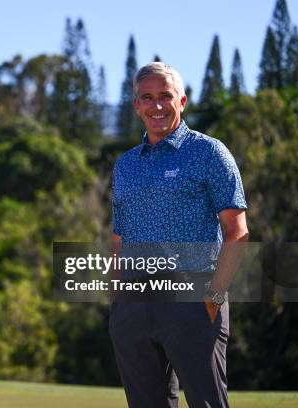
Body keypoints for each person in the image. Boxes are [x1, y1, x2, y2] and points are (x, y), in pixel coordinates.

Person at [109, 62, 248, 408]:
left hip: (194, 299)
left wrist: (214, 297)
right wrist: (116, 305)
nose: (157, 106)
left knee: (206, 402)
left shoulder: (209, 153)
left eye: (165, 96)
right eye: (147, 98)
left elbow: (237, 231)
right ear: (136, 106)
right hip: (134, 303)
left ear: (182, 101)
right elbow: (118, 237)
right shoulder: (125, 164)